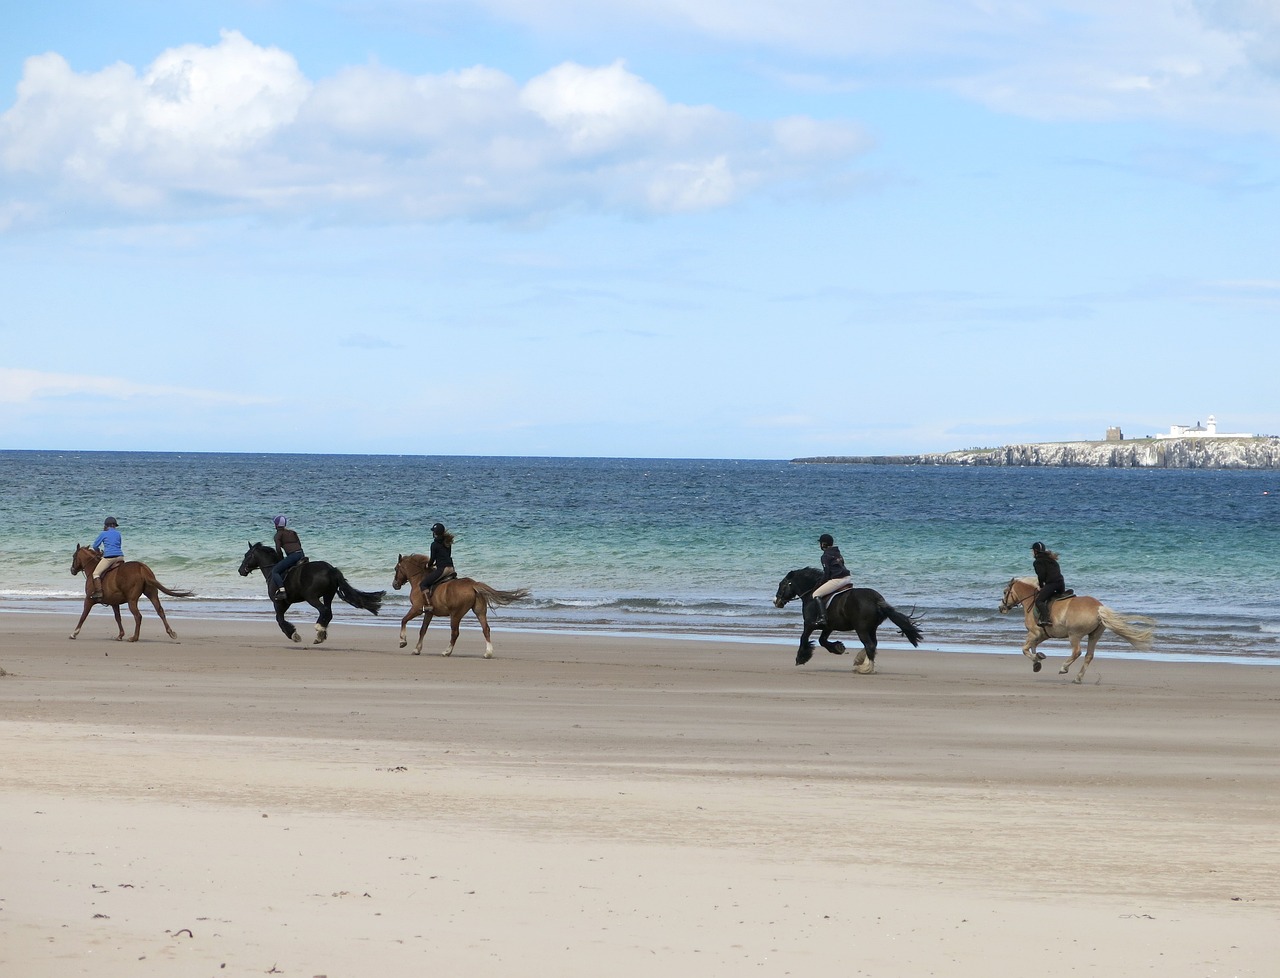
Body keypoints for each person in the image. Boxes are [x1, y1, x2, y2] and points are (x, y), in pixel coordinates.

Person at [810, 533, 852, 628]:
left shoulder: (825, 556)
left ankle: (822, 618)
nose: (820, 545)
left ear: (824, 544)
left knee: (816, 594)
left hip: (838, 579)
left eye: (820, 543)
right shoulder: (837, 552)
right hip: (847, 577)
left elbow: (827, 573)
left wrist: (819, 584)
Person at [419, 522, 456, 611]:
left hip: (443, 569)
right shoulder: (447, 542)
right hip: (451, 568)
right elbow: (446, 556)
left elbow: (432, 559)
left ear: (435, 533)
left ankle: (428, 605)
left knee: (423, 584)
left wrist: (428, 565)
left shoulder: (434, 544)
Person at [269, 515, 305, 600]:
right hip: (301, 554)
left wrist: (280, 559)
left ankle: (282, 591)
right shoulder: (293, 532)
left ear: (276, 525)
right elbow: (299, 544)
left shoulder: (278, 535)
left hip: (293, 556)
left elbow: (278, 550)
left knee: (275, 571)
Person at [89, 516, 124, 602]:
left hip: (109, 558)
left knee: (96, 573)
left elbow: (95, 546)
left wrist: (98, 552)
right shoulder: (118, 533)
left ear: (106, 525)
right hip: (120, 557)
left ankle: (99, 592)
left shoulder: (103, 533)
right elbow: (118, 545)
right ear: (114, 525)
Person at [1031, 541, 1065, 628]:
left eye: (1032, 551)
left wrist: (1041, 586)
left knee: (1039, 601)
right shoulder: (1051, 559)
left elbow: (1041, 575)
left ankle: (1046, 619)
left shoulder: (1038, 562)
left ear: (1035, 551)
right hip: (1061, 583)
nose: (1032, 553)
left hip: (1052, 584)